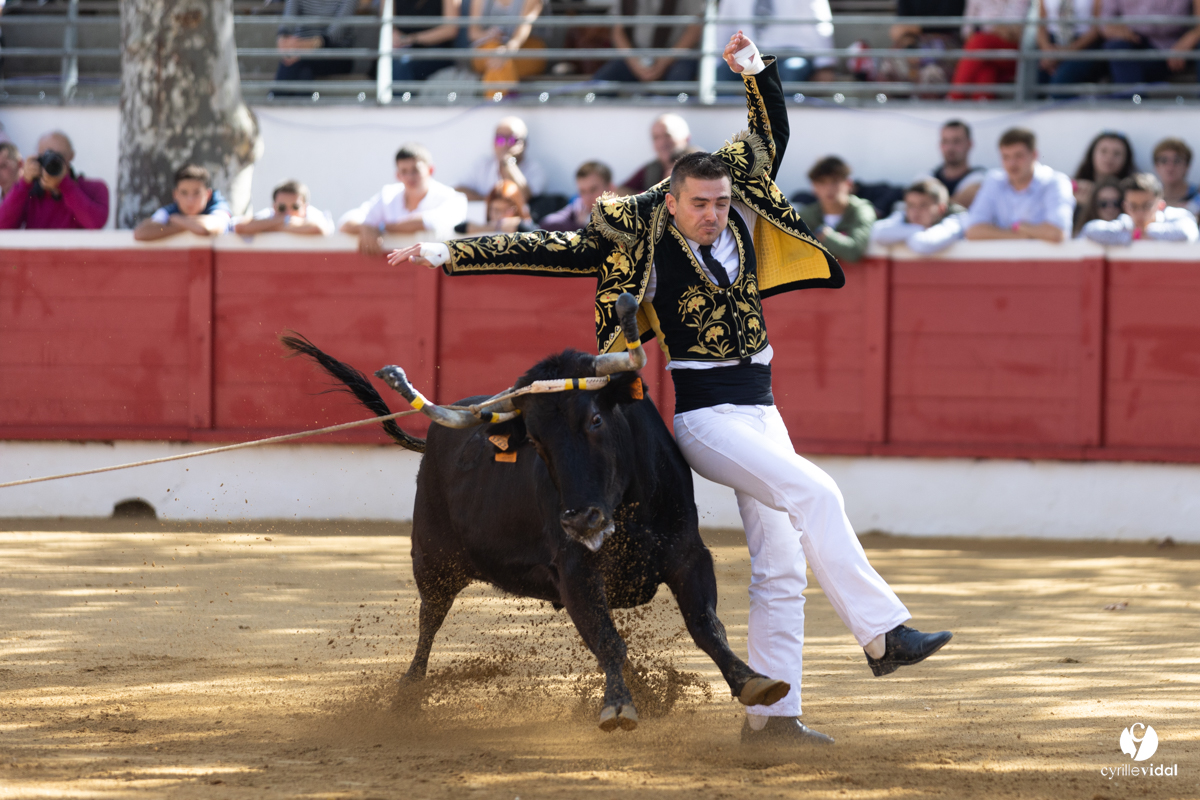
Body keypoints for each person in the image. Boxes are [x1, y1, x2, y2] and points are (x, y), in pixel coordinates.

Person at [389, 32, 952, 746]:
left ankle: (773, 720)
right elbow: (554, 248)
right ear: (675, 200)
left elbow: (769, 130)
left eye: (720, 201)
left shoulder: (743, 203)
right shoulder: (642, 238)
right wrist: (450, 252)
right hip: (709, 416)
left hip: (762, 408)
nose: (714, 213)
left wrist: (752, 69)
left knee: (780, 564)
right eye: (700, 204)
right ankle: (882, 636)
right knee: (818, 493)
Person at [340, 143, 468, 256]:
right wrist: (365, 228)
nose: (410, 177)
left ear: (430, 170)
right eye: (404, 171)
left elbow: (423, 223)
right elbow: (346, 222)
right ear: (397, 175)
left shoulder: (451, 197)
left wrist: (378, 227)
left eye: (415, 170)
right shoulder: (388, 195)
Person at [965, 127, 1075, 242]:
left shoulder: (1055, 182)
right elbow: (972, 230)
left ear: (1034, 155)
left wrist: (1019, 227)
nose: (1012, 163)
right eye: (1005, 157)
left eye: (1018, 156)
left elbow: (1058, 233)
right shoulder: (994, 180)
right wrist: (1020, 235)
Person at [0, 130, 108, 230]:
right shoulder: (30, 193)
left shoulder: (94, 188)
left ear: (71, 156)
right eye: (45, 156)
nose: (51, 162)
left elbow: (96, 223)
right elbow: (2, 225)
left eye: (58, 156)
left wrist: (65, 185)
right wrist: (24, 182)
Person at [717, 0, 836, 82]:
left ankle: (780, 117)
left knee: (791, 71)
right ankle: (733, 117)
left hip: (794, 53)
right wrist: (713, 62)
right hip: (750, 55)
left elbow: (821, 25)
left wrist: (824, 66)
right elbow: (723, 29)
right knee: (721, 73)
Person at [591, 0, 704, 86]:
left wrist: (665, 61)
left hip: (678, 57)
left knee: (678, 87)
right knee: (600, 85)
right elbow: (617, 31)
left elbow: (695, 28)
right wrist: (634, 61)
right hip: (635, 58)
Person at [795, 156, 876, 263]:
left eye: (835, 181)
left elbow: (854, 251)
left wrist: (826, 236)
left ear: (849, 184)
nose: (829, 188)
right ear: (814, 186)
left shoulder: (862, 210)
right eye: (822, 182)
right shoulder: (806, 215)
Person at [1081, 173, 1200, 244]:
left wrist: (1142, 233)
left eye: (1146, 206)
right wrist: (1132, 236)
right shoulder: (1125, 223)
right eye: (1133, 206)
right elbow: (1090, 229)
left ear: (1160, 206)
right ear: (1125, 207)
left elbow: (1187, 233)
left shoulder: (1176, 215)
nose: (1139, 212)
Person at [1101, 0, 1200, 84]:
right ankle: (1131, 100)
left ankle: (1129, 99)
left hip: (1169, 48)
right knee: (1115, 47)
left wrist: (1189, 39)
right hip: (1133, 41)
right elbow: (1105, 21)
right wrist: (1118, 31)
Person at [949, 0, 1031, 99]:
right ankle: (982, 99)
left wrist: (991, 33)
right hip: (984, 52)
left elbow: (1020, 32)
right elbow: (966, 31)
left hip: (1011, 52)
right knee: (986, 66)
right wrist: (999, 31)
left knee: (980, 42)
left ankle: (954, 97)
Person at [455, 117, 546, 202]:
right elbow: (457, 191)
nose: (505, 144)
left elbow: (524, 198)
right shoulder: (482, 165)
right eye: (500, 139)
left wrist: (507, 162)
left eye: (512, 140)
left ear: (524, 144)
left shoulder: (535, 170)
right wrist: (490, 202)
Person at [133, 164, 232, 241]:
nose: (190, 200)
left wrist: (176, 220)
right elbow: (140, 233)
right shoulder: (172, 209)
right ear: (176, 195)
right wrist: (190, 226)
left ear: (208, 194)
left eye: (196, 193)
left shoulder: (217, 204)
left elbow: (207, 229)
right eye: (184, 193)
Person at [872, 177, 969, 254]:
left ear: (941, 209)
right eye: (911, 205)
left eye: (923, 205)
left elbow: (923, 244)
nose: (915, 211)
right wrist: (920, 228)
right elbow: (877, 233)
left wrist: (903, 232)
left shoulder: (957, 218)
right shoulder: (904, 214)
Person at [275, 0, 359, 85]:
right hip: (300, 51)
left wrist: (306, 46)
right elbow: (287, 24)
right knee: (303, 72)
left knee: (297, 62)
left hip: (336, 55)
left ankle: (275, 96)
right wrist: (284, 41)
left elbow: (336, 33)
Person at [618, 114, 701, 195]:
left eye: (667, 135)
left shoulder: (701, 166)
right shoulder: (651, 169)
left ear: (687, 138)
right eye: (656, 137)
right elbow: (620, 191)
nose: (662, 143)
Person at [467, 0, 546, 85]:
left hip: (524, 51)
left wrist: (507, 50)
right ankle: (507, 96)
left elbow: (524, 29)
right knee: (494, 53)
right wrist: (489, 35)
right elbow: (473, 33)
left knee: (499, 62)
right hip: (488, 49)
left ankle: (498, 97)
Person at [1036, 0, 1106, 89]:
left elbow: (1097, 28)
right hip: (1051, 44)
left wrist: (1065, 52)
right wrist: (1047, 51)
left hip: (1083, 46)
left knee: (1059, 86)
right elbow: (1041, 24)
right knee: (1036, 79)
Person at [1072, 131, 1136, 227]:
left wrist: (1091, 202)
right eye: (1103, 151)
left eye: (1117, 153)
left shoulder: (1134, 191)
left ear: (1126, 159)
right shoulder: (1074, 187)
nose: (1109, 157)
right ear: (1092, 154)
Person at [391, 0, 462, 82]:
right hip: (402, 49)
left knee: (402, 67)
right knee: (392, 63)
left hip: (436, 52)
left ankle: (405, 95)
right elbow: (387, 23)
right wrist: (394, 34)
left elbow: (450, 30)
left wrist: (412, 39)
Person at [234, 179, 334, 236]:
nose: (288, 212)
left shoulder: (313, 214)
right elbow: (239, 227)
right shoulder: (269, 214)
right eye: (282, 208)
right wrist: (285, 222)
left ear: (305, 208)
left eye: (295, 207)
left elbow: (320, 229)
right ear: (273, 207)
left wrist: (270, 226)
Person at [540, 161, 614, 231]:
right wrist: (579, 226)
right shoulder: (578, 208)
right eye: (582, 191)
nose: (588, 197)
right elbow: (546, 225)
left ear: (610, 188)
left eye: (593, 190)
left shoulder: (621, 211)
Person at [930, 119, 986, 207]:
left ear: (969, 144)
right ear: (940, 145)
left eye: (956, 141)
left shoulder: (980, 179)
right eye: (945, 141)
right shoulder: (928, 176)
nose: (950, 147)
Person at [454, 180, 538, 234]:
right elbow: (459, 228)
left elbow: (533, 232)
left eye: (506, 210)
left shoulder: (527, 226)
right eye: (496, 210)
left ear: (517, 209)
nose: (500, 215)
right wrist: (495, 226)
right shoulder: (486, 229)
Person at [1151, 137, 1200, 216]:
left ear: (1187, 166)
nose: (1170, 167)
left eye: (1177, 161)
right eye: (1164, 161)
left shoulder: (1198, 196)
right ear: (1156, 166)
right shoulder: (1147, 198)